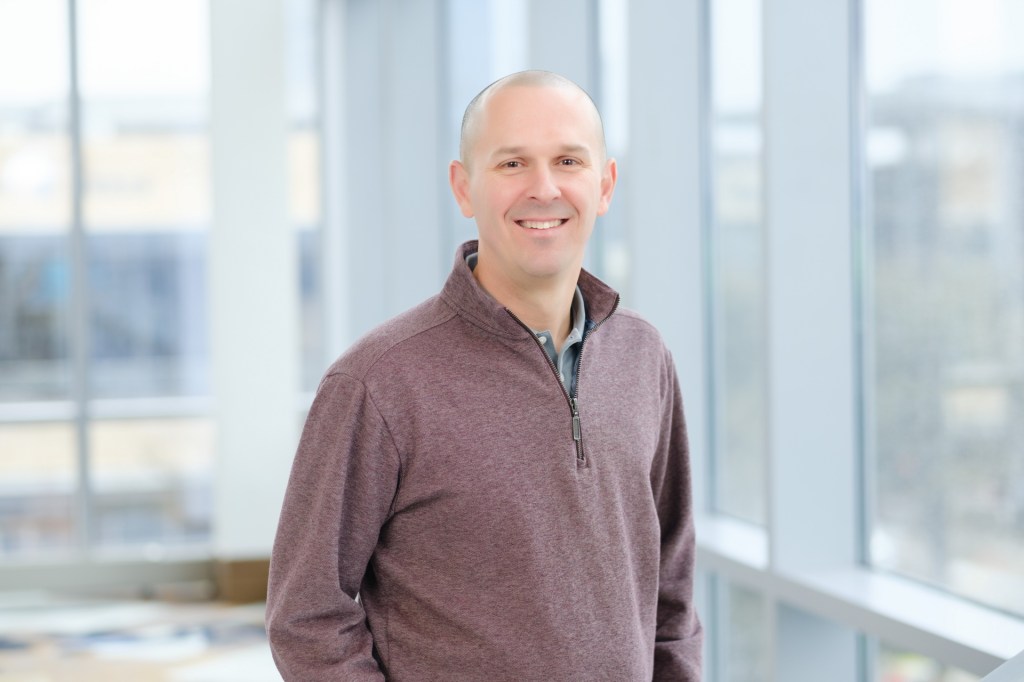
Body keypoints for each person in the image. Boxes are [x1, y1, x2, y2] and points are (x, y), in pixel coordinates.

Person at [266, 70, 703, 681]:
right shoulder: (377, 382)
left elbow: (672, 583)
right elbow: (306, 615)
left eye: (569, 160)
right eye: (512, 164)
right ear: (464, 188)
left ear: (604, 185)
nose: (543, 188)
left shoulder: (643, 356)